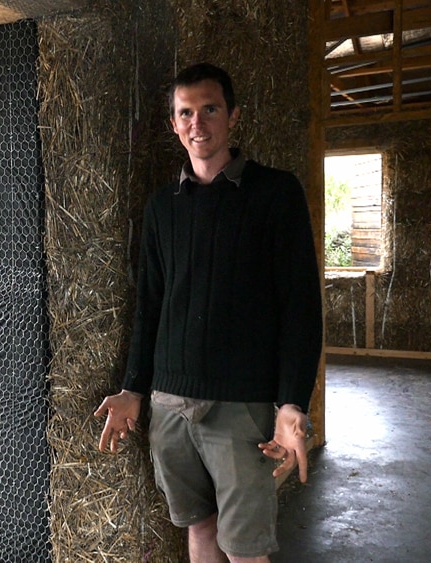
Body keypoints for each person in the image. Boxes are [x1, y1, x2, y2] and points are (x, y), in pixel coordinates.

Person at [94, 62, 323, 562]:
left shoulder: (275, 193)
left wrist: (291, 403)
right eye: (186, 113)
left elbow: (301, 306)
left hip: (241, 406)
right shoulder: (162, 207)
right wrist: (134, 387)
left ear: (233, 116)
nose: (198, 123)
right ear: (174, 125)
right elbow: (151, 304)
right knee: (198, 527)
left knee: (244, 548)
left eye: (210, 109)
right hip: (170, 404)